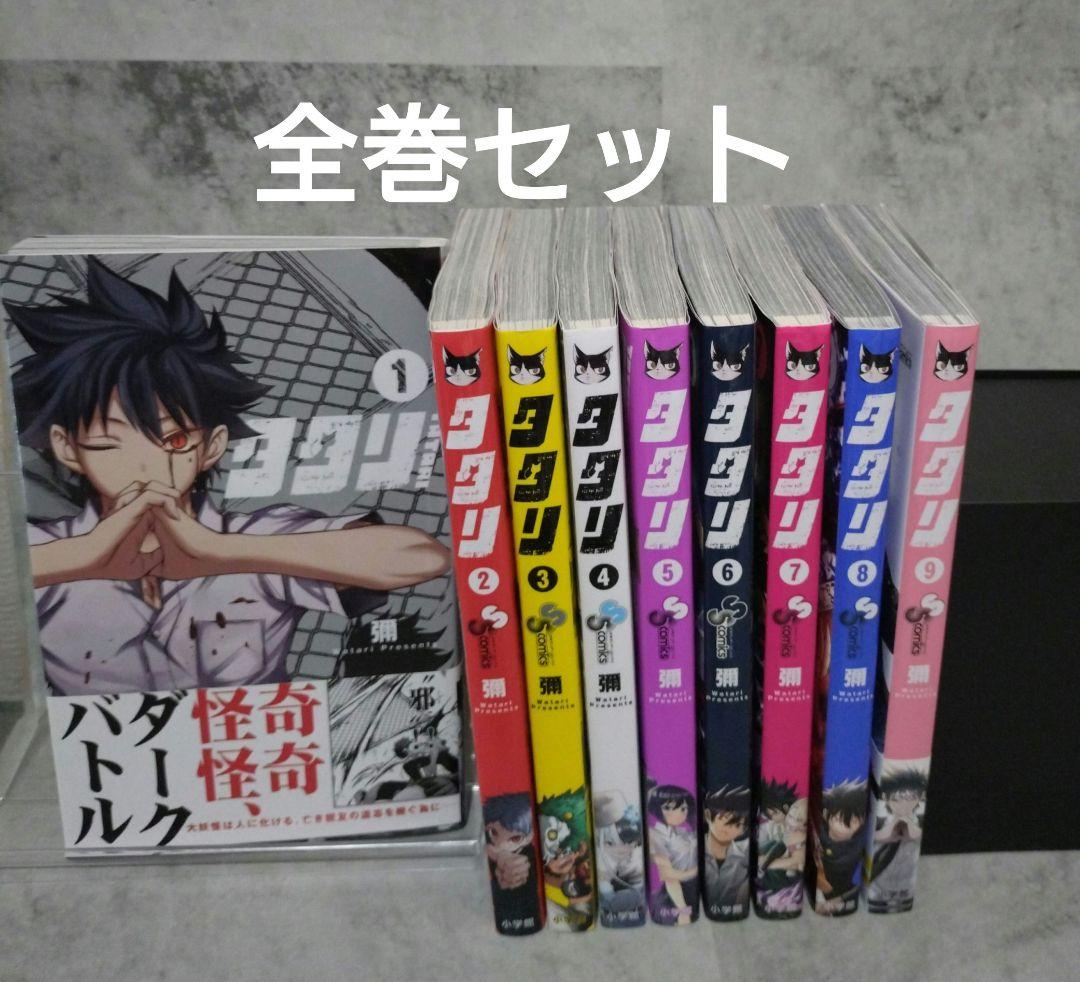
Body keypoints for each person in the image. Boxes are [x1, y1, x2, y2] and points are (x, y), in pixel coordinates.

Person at [6, 257, 450, 695]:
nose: (144, 469)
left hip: (256, 734)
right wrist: (86, 554)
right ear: (67, 447)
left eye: (174, 441)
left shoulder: (258, 536)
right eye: (109, 443)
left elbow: (422, 557)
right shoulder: (45, 548)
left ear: (212, 445)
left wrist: (221, 552)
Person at [646, 784, 698, 925]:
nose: (678, 813)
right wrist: (682, 910)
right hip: (674, 895)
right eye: (668, 808)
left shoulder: (683, 832)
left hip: (693, 889)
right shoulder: (654, 835)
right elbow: (668, 876)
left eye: (683, 808)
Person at [701, 784, 750, 915]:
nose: (728, 828)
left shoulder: (746, 850)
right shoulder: (692, 848)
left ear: (743, 830)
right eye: (724, 819)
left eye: (738, 824)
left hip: (737, 910)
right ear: (708, 815)